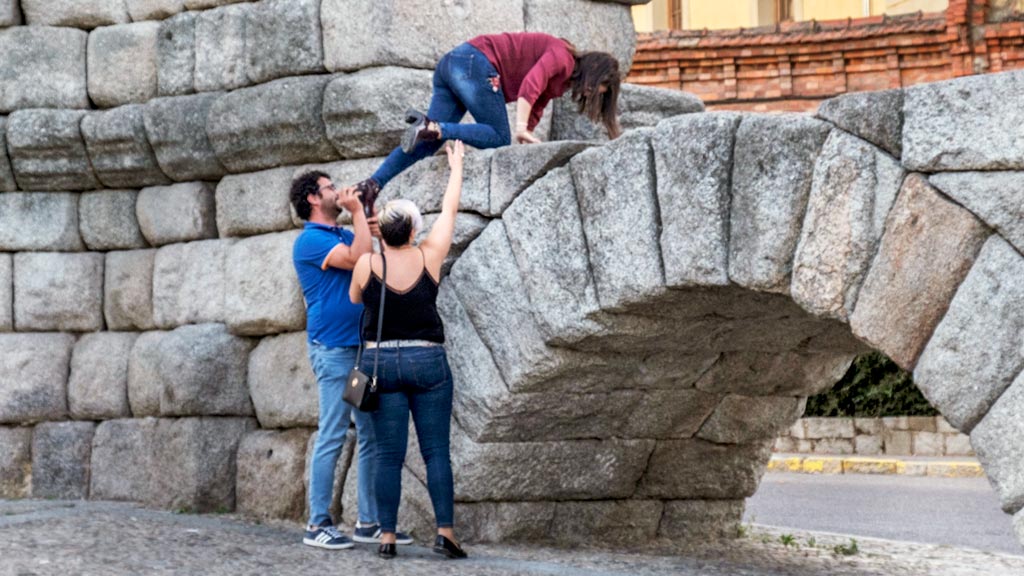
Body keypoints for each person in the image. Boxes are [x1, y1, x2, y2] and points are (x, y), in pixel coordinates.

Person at [349, 141, 467, 560]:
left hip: (381, 362)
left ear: (384, 231)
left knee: (388, 454)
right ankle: (446, 532)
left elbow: (354, 299)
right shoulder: (430, 255)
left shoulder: (367, 265)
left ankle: (386, 537)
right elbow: (450, 212)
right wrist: (456, 168)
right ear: (414, 231)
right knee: (436, 451)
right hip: (427, 360)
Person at [289, 171, 413, 550]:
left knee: (369, 434)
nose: (336, 191)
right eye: (328, 188)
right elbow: (358, 258)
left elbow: (372, 264)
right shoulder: (309, 240)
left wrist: (370, 222)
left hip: (359, 351)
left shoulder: (342, 234)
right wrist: (358, 214)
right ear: (313, 199)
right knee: (332, 433)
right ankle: (317, 524)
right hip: (333, 352)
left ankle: (368, 521)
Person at [351, 32, 622, 200]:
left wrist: (525, 140)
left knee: (427, 140)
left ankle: (372, 184)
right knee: (498, 137)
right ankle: (433, 126)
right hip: (475, 64)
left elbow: (536, 106)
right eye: (602, 85)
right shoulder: (562, 56)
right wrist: (517, 129)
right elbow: (531, 83)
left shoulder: (562, 81)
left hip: (454, 64)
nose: (596, 92)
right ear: (594, 70)